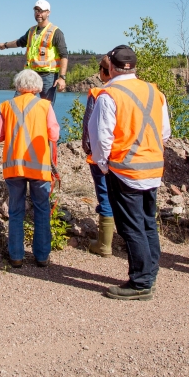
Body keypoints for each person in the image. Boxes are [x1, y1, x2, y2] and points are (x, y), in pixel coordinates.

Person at [90, 45, 170, 300]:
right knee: (148, 222)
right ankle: (150, 272)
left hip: (125, 170)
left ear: (111, 67)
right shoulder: (155, 91)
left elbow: (101, 136)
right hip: (153, 167)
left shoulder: (109, 94)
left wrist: (104, 165)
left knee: (131, 226)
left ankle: (141, 282)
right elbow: (165, 131)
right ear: (134, 66)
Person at [0, 69, 60, 267]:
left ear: (18, 86)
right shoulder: (45, 105)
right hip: (39, 168)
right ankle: (42, 256)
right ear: (38, 87)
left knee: (15, 212)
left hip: (14, 168)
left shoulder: (6, 106)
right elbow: (54, 135)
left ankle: (16, 256)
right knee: (41, 210)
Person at [0, 0, 68, 104]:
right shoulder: (31, 31)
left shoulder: (56, 32)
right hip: (30, 74)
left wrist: (62, 77)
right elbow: (19, 42)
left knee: (46, 107)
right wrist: (5, 45)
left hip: (48, 75)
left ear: (48, 13)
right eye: (36, 10)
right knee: (18, 103)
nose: (38, 13)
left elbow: (64, 56)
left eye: (41, 11)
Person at [83, 56, 114, 256]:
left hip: (103, 157)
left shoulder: (98, 93)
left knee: (105, 197)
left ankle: (104, 245)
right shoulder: (145, 91)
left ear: (103, 72)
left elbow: (90, 128)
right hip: (134, 159)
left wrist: (89, 150)